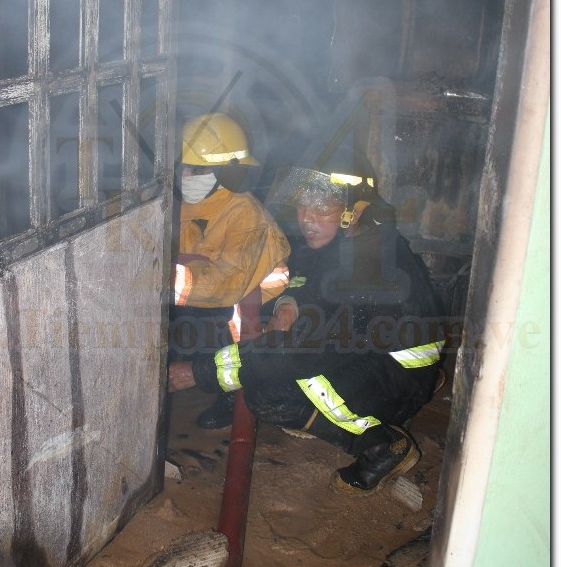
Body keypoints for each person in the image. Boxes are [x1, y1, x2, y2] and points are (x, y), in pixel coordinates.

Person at [168, 143, 446, 494]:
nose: (306, 218)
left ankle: (381, 445)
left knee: (270, 391)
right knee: (280, 354)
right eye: (302, 204)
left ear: (354, 207)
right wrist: (290, 303)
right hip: (386, 358)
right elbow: (309, 280)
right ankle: (386, 403)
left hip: (399, 376)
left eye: (322, 206)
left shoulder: (368, 266)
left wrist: (198, 372)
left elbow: (299, 353)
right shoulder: (358, 236)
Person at [168, 112, 291, 429]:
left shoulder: (245, 214)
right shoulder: (188, 205)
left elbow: (229, 283)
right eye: (185, 167)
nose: (188, 175)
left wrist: (164, 279)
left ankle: (233, 395)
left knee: (228, 328)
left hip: (253, 302)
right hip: (208, 292)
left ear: (226, 172)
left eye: (198, 169)